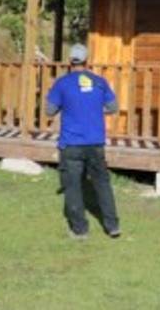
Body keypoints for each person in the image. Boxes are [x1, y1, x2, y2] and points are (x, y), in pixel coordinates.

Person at [45, 44, 121, 239]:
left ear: (70, 61)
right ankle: (112, 226)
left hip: (71, 144)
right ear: (88, 62)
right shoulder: (99, 82)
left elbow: (49, 111)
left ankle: (80, 229)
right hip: (95, 143)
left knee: (72, 186)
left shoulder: (62, 83)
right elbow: (113, 107)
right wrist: (97, 110)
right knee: (102, 184)